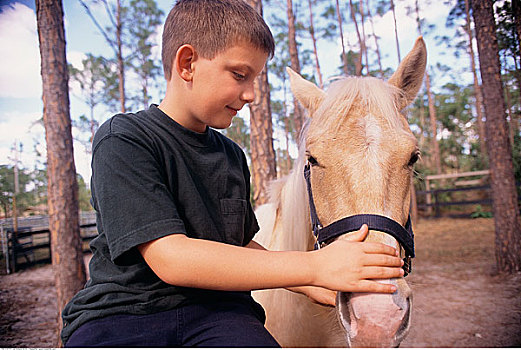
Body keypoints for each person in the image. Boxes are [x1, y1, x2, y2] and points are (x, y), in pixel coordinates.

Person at [61, 0, 405, 347]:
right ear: (187, 63)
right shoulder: (125, 139)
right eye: (240, 75)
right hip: (124, 314)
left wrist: (307, 282)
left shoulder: (230, 155)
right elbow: (171, 258)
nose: (253, 94)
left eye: (255, 78)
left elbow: (239, 245)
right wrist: (314, 266)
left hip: (219, 311)